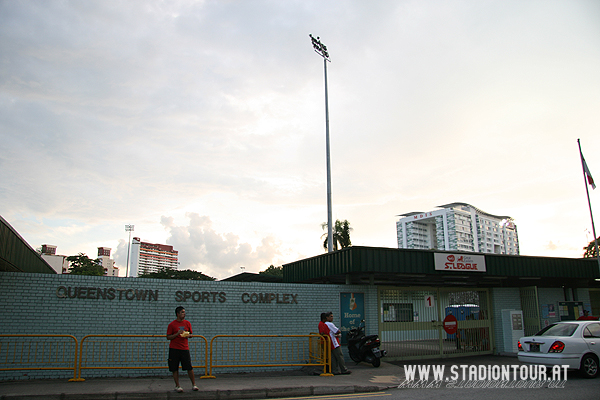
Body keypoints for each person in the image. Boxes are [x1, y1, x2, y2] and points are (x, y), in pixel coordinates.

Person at [166, 306, 199, 392]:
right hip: (174, 348)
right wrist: (177, 334)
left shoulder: (187, 323)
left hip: (184, 348)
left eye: (184, 312)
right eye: (182, 312)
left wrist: (189, 335)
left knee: (189, 367)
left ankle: (194, 384)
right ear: (178, 314)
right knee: (174, 368)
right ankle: (177, 385)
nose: (184, 314)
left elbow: (191, 334)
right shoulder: (172, 324)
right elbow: (168, 337)